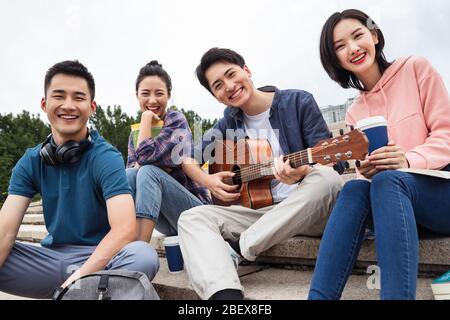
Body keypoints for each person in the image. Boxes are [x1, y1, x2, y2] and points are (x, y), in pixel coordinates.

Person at [178, 48, 344, 300]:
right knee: (192, 218)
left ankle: (243, 246)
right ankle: (225, 296)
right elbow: (188, 159)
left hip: (307, 212)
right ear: (217, 97)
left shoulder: (298, 102)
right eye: (218, 86)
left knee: (328, 179)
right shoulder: (228, 122)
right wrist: (208, 180)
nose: (229, 86)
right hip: (263, 215)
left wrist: (303, 173)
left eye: (231, 74)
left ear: (247, 70)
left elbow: (334, 164)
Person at [309, 9, 450, 300]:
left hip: (440, 194)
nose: (353, 48)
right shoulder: (355, 111)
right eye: (340, 46)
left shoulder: (415, 68)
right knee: (355, 188)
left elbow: (446, 134)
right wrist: (367, 169)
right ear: (335, 59)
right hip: (397, 208)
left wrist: (407, 160)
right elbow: (365, 174)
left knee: (390, 181)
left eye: (358, 35)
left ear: (374, 35)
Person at [0, 60, 159, 299]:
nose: (68, 105)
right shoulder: (30, 161)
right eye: (59, 96)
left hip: (101, 261)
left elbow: (125, 230)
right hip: (48, 262)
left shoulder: (106, 157)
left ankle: (79, 293)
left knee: (143, 255)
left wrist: (76, 282)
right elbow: (5, 231)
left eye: (78, 97)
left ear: (92, 106)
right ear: (44, 104)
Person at [126, 61, 211, 242]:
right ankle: (127, 239)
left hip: (195, 212)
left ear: (169, 95)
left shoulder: (176, 120)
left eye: (159, 93)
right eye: (145, 94)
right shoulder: (137, 131)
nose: (152, 100)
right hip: (166, 218)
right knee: (130, 175)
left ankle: (139, 248)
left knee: (148, 172)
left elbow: (146, 160)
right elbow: (132, 172)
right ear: (137, 95)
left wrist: (147, 118)